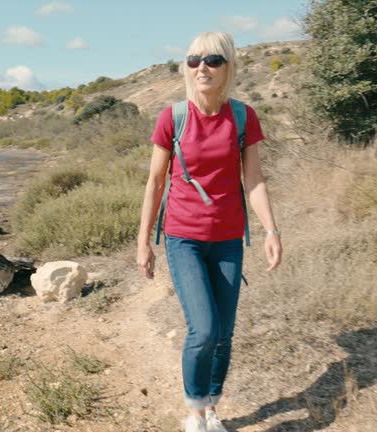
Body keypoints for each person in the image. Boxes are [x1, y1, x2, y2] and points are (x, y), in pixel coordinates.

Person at [136, 32, 282, 432]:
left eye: (213, 60)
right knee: (204, 329)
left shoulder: (242, 116)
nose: (202, 67)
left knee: (224, 333)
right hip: (183, 237)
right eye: (194, 60)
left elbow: (253, 180)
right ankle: (195, 411)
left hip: (229, 239)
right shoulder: (173, 117)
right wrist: (144, 241)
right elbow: (155, 183)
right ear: (187, 67)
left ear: (227, 68)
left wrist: (272, 230)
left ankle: (213, 405)